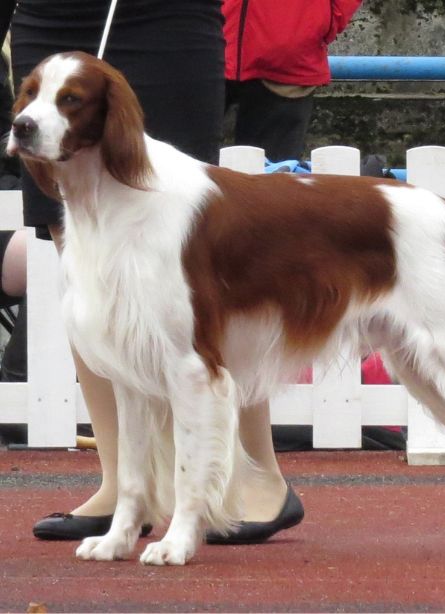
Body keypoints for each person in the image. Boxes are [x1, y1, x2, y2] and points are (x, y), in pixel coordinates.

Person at [3, 0, 296, 543]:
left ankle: (256, 480)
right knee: (78, 243)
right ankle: (123, 485)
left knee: (197, 264)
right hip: (47, 13)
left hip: (164, 18)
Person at [223, 0, 362, 161]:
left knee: (273, 180)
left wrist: (323, 22)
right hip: (203, 46)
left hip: (288, 59)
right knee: (190, 175)